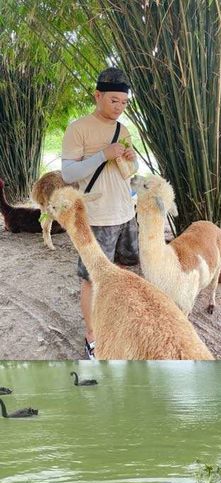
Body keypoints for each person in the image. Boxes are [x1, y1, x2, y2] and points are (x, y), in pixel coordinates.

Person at [61, 67, 139, 360]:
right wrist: (103, 155)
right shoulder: (78, 128)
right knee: (91, 280)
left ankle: (115, 322)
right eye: (114, 101)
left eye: (124, 102)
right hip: (96, 218)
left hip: (124, 212)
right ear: (98, 95)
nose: (119, 107)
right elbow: (69, 173)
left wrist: (131, 161)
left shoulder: (124, 130)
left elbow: (130, 173)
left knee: (122, 271)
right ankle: (92, 337)